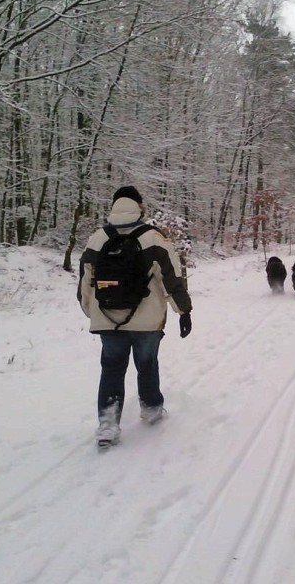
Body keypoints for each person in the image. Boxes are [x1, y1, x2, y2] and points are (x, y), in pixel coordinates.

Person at [78, 185, 192, 448]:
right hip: (147, 319)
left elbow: (85, 281)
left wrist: (92, 312)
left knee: (112, 369)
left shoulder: (97, 238)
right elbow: (172, 280)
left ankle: (107, 425)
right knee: (147, 363)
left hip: (107, 317)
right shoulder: (153, 238)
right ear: (140, 206)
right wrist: (183, 311)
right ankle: (151, 409)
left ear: (114, 205)